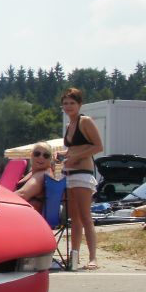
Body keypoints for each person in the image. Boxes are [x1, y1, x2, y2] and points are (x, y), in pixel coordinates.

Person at [61, 87, 103, 269]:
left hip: (83, 174)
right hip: (68, 174)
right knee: (74, 218)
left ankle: (93, 258)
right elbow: (73, 149)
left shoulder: (84, 121)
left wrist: (76, 157)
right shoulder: (68, 125)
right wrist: (63, 155)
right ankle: (75, 256)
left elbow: (98, 146)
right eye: (65, 103)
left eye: (72, 103)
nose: (68, 106)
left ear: (79, 105)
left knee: (86, 216)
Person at [14, 141, 55, 213]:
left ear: (50, 159)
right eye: (37, 154)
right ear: (31, 155)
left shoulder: (42, 176)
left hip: (26, 216)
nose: (41, 157)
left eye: (46, 155)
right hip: (22, 212)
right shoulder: (35, 172)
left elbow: (22, 195)